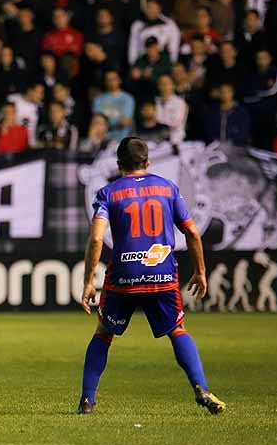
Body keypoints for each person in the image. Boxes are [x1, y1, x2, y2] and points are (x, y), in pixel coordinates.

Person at [78, 137, 225, 415]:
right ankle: (201, 387)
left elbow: (97, 239)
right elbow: (192, 232)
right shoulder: (168, 188)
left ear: (119, 164)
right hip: (162, 274)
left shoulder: (108, 193)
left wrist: (88, 282)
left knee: (104, 334)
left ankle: (87, 400)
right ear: (147, 162)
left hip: (124, 274)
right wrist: (201, 271)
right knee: (178, 330)